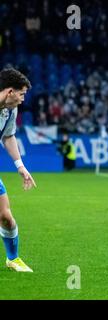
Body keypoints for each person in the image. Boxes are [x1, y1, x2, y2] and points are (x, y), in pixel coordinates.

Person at [0, 68, 36, 272]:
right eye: (21, 94)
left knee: (6, 217)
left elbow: (8, 136)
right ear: (10, 92)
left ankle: (13, 259)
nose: (23, 99)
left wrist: (20, 166)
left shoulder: (10, 110)